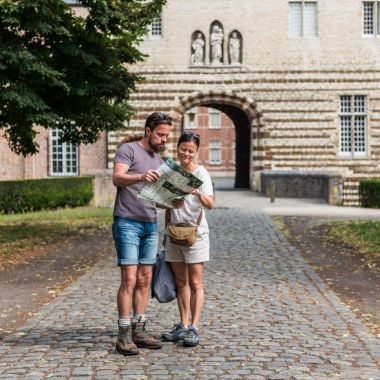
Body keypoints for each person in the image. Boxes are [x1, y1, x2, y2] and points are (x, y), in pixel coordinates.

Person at [112, 112, 172, 356]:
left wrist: (169, 203)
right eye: (160, 134)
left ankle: (139, 329)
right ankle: (123, 335)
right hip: (127, 222)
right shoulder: (128, 150)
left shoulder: (159, 160)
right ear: (148, 131)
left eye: (167, 135)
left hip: (149, 224)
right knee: (129, 278)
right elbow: (117, 178)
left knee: (145, 278)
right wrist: (140, 176)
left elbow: (153, 198)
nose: (164, 139)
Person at [162, 132, 215, 347]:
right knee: (181, 282)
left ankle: (194, 327)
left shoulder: (202, 173)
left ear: (196, 152)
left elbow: (211, 203)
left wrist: (197, 193)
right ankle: (182, 325)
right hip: (174, 232)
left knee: (195, 282)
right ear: (177, 148)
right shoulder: (171, 171)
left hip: (196, 234)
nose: (186, 153)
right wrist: (169, 204)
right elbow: (161, 201)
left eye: (190, 150)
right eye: (183, 149)